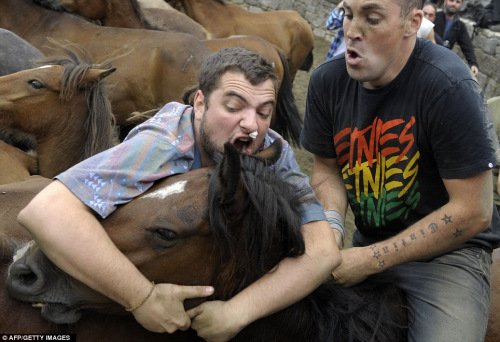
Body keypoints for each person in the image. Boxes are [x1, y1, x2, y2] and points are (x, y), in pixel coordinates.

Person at [17, 47, 340, 341]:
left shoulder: (269, 148)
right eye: (233, 106)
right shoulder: (164, 145)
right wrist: (142, 298)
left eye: (264, 111)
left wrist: (238, 312)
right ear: (199, 104)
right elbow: (45, 210)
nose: (251, 125)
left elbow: (323, 252)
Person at [301, 0, 500, 340]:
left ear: (412, 23)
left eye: (372, 19)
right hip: (367, 240)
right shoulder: (326, 82)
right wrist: (333, 230)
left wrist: (370, 260)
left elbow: (475, 210)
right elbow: (326, 169)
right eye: (349, 15)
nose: (351, 31)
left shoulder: (448, 85)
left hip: (449, 256)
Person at [434, 0, 480, 77]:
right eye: (451, 0)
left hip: (441, 64)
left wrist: (473, 64)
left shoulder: (459, 26)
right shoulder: (435, 16)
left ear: (461, 4)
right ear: (445, 1)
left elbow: (467, 46)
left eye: (457, 2)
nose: (454, 4)